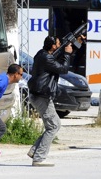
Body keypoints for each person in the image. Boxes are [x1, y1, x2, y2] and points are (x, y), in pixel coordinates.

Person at [27, 36, 73, 167]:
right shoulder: (47, 58)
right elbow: (63, 69)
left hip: (40, 94)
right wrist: (67, 54)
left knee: (55, 124)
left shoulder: (41, 54)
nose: (59, 45)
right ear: (53, 46)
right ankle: (39, 158)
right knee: (53, 126)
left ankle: (35, 151)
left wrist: (69, 50)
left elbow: (57, 62)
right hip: (42, 96)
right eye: (58, 44)